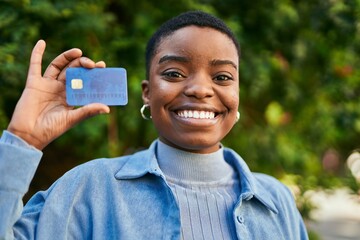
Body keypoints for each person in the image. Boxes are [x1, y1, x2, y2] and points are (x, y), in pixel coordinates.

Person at [0, 10, 309, 240]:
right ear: (147, 92)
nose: (201, 89)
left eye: (222, 77)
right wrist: (21, 140)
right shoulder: (89, 189)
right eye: (174, 73)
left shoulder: (276, 200)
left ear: (237, 94)